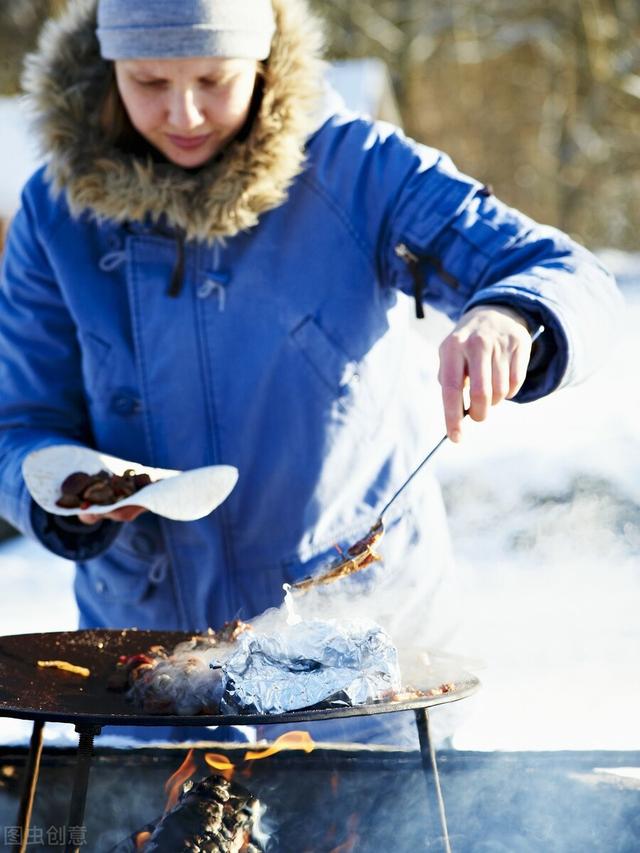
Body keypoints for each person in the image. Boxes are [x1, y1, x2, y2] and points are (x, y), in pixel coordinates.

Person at [0, 0, 622, 745]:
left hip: (357, 671)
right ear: (109, 69)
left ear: (262, 63)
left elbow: (562, 272)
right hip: (149, 680)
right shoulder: (53, 211)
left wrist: (511, 315)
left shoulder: (359, 171)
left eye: (213, 78)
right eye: (149, 81)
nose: (184, 111)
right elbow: (20, 420)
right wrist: (60, 489)